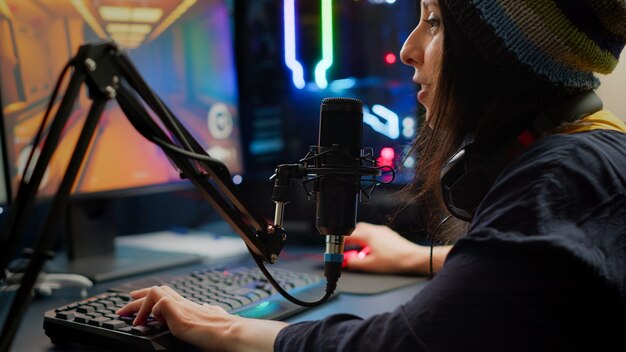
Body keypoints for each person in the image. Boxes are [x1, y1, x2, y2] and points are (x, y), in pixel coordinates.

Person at [117, 0, 626, 350]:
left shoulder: (561, 177)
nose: (408, 48)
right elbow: (544, 265)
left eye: (433, 21)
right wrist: (420, 257)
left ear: (502, 55)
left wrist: (225, 329)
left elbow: (406, 345)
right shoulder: (592, 151)